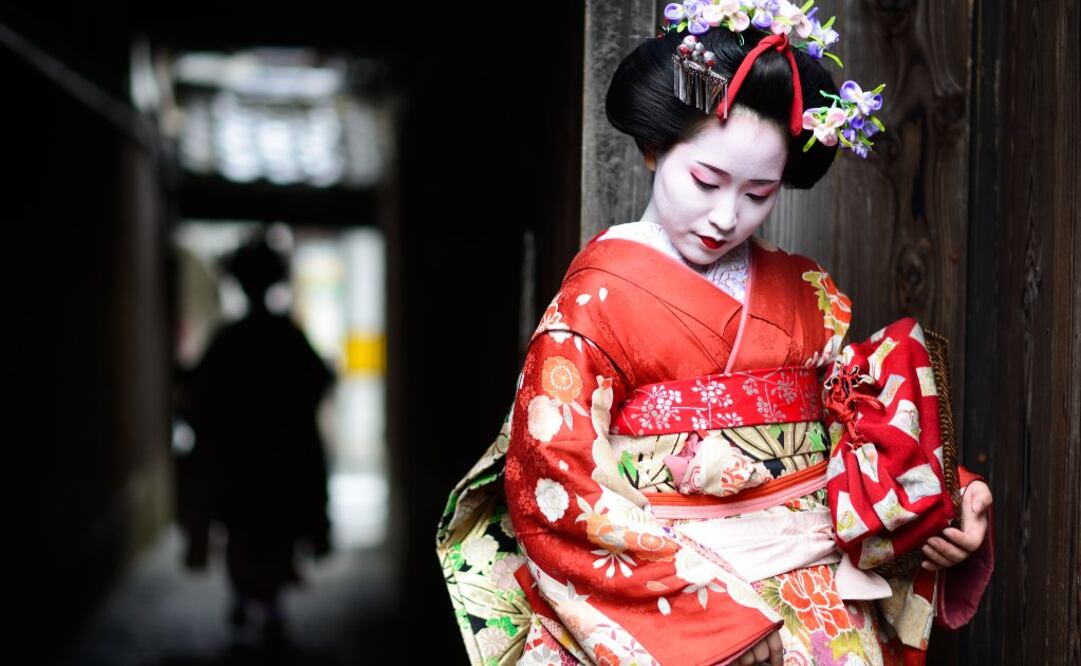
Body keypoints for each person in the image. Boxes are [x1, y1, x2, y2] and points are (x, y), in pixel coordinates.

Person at [437, 3, 992, 664]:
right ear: (653, 148)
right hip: (679, 601)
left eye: (758, 193)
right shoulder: (594, 302)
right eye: (705, 180)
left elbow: (857, 423)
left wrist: (948, 494)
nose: (726, 216)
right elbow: (555, 472)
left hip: (822, 606)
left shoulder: (805, 290)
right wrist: (707, 619)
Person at [179, 230, 334, 643]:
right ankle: (268, 600)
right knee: (274, 527)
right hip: (279, 457)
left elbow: (200, 394)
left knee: (244, 528)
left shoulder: (230, 338)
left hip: (240, 459)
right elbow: (318, 380)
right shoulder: (285, 335)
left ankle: (249, 595)